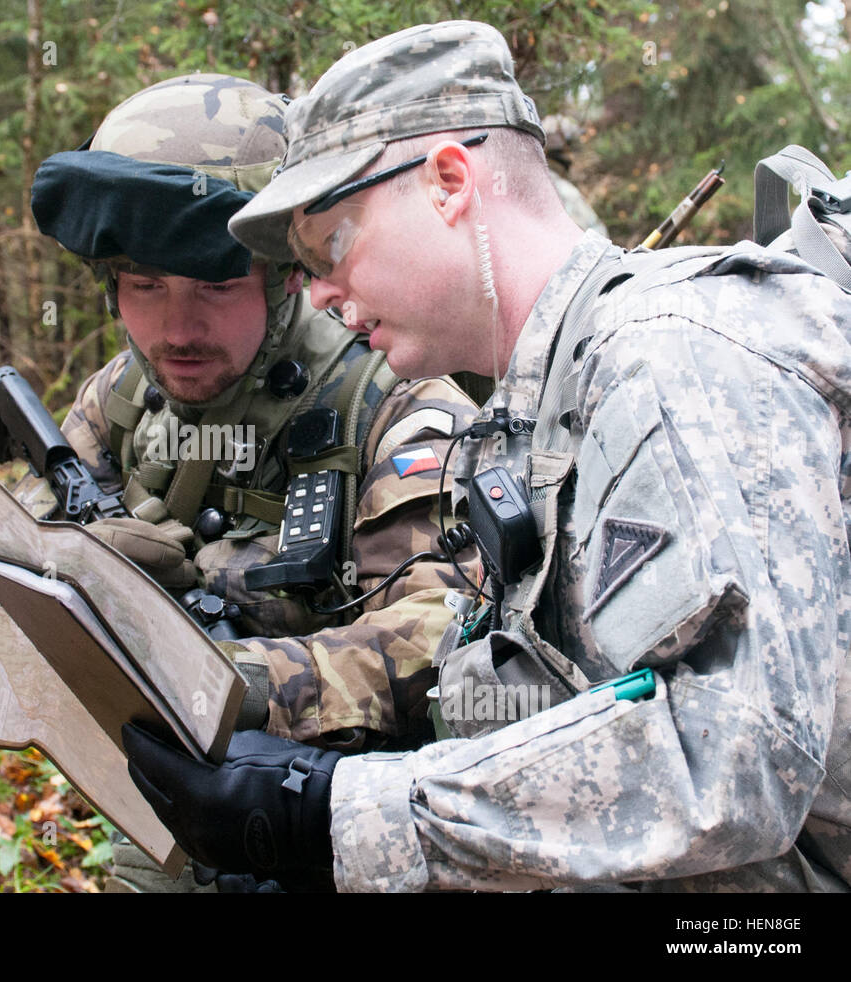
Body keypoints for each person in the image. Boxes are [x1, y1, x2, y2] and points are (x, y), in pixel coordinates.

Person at [122, 21, 851, 892]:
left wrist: (336, 816)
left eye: (330, 246)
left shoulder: (670, 355)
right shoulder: (530, 412)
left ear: (448, 181)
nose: (317, 292)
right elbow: (545, 706)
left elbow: (737, 758)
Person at [23, 73, 478, 891]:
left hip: (342, 824)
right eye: (144, 287)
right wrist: (85, 557)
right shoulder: (124, 395)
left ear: (285, 275)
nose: (177, 328)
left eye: (216, 286)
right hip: (169, 807)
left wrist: (232, 681)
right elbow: (20, 541)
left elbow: (444, 631)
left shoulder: (394, 401)